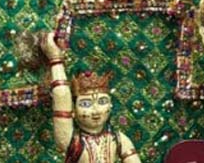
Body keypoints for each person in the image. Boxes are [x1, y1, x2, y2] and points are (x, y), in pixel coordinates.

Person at [41, 32, 141, 163]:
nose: (96, 110)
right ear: (73, 110)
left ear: (111, 105)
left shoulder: (118, 140)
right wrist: (56, 59)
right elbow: (61, 95)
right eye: (85, 104)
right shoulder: (73, 142)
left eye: (102, 101)